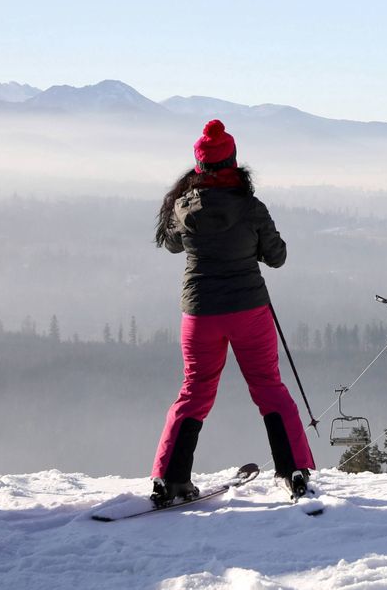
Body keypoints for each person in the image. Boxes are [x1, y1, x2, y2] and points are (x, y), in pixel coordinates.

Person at [150, 120, 315, 505]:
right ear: (234, 161)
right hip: (248, 310)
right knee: (269, 387)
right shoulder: (251, 207)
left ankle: (168, 479)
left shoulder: (182, 206)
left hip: (199, 311)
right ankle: (293, 470)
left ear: (199, 166)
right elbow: (278, 257)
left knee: (194, 391)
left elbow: (174, 246)